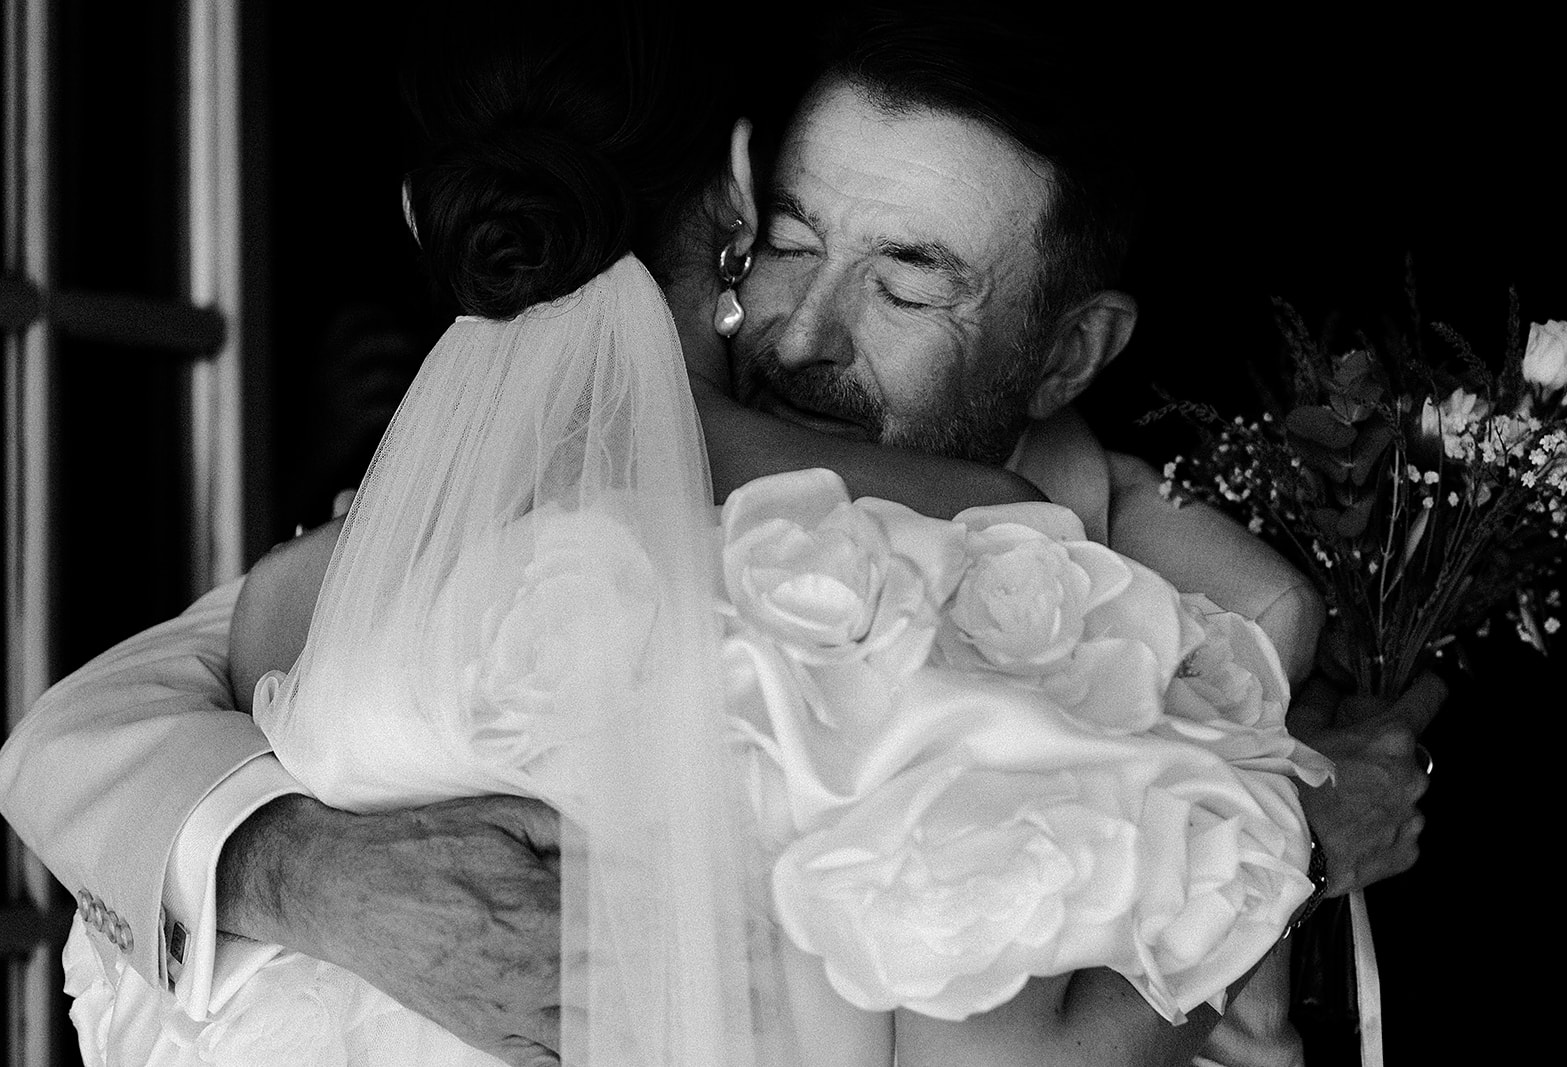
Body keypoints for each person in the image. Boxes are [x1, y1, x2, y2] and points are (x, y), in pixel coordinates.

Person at [0, 3, 1440, 1065]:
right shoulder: (408, 544)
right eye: (795, 246)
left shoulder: (1182, 578)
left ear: (1069, 356)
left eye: (910, 283)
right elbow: (79, 740)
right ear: (732, 217)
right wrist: (292, 872)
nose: (805, 336)